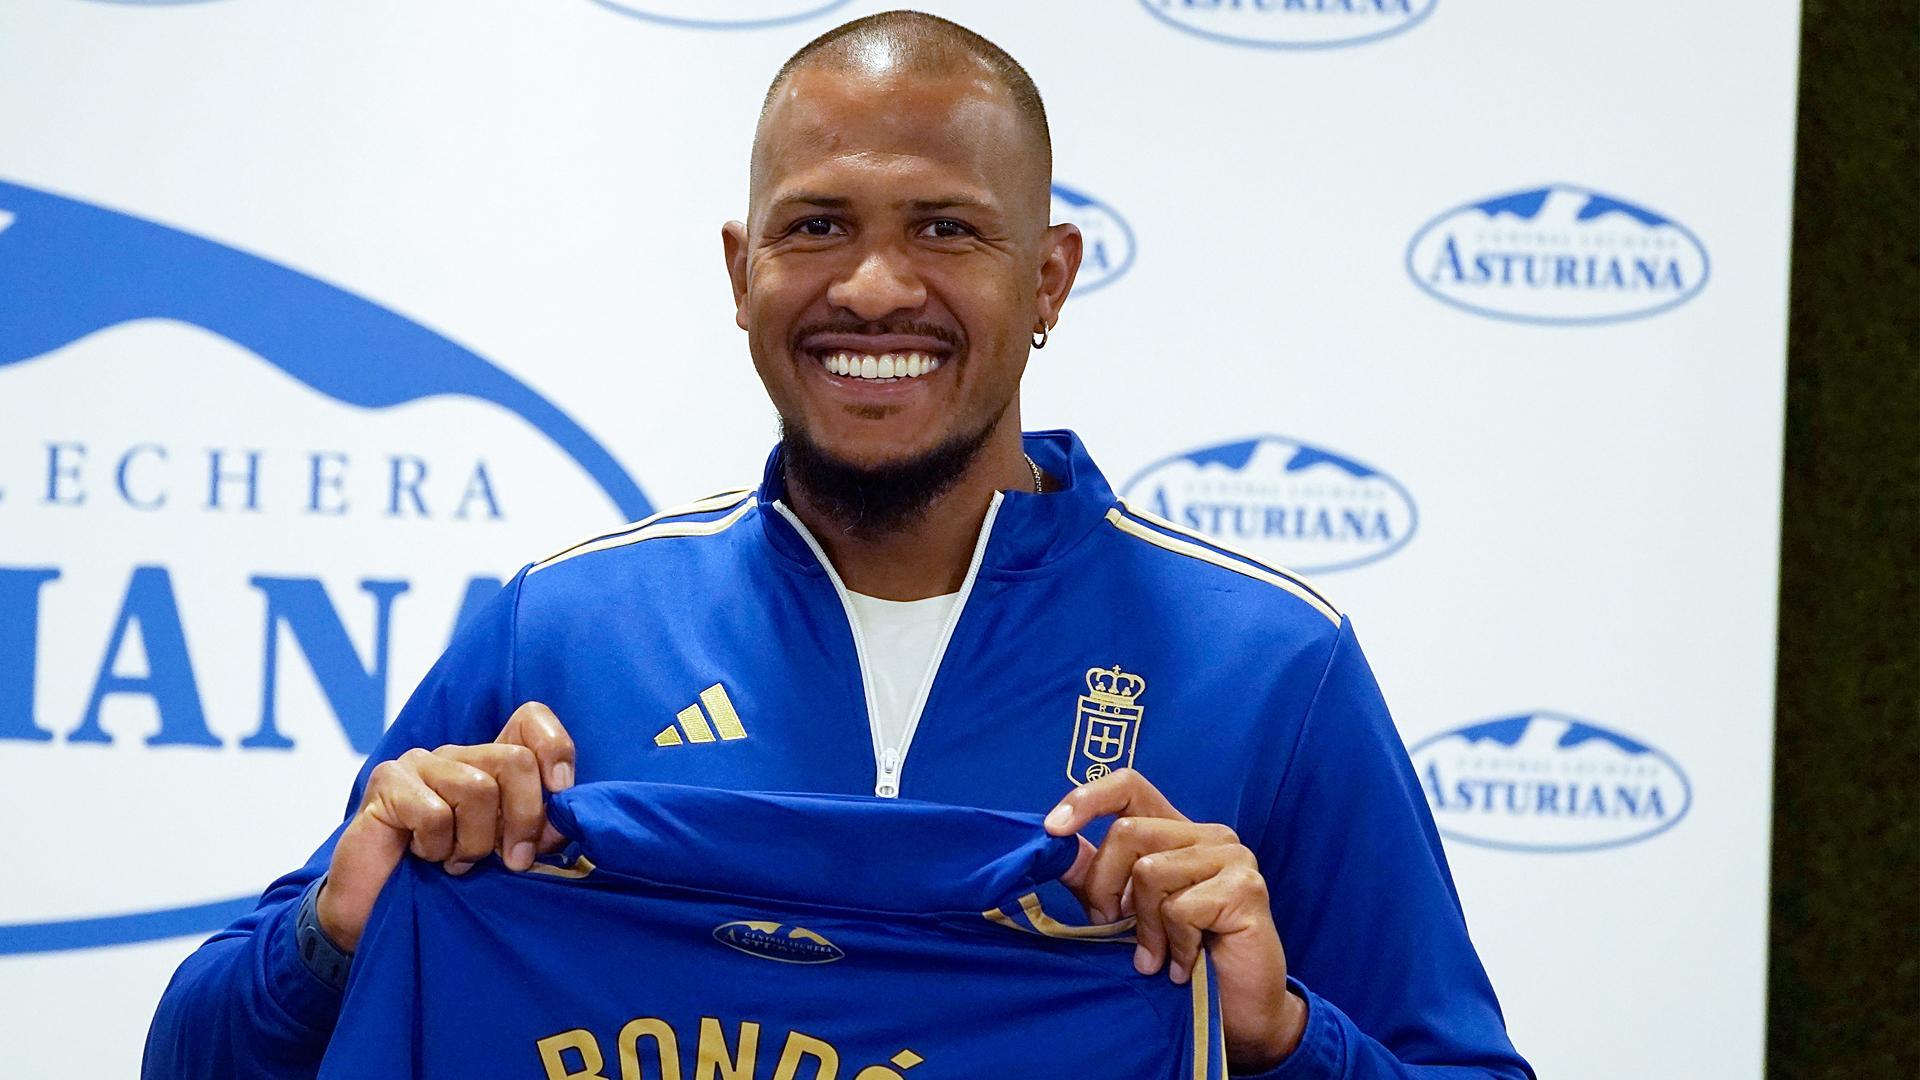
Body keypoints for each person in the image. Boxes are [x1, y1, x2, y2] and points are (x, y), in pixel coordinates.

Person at [146, 12, 1532, 1079]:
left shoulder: (1268, 664)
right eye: (818, 228)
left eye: (944, 227)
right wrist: (336, 931)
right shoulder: (559, 627)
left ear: (1045, 277)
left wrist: (1280, 1034)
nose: (874, 285)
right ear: (742, 272)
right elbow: (193, 1056)